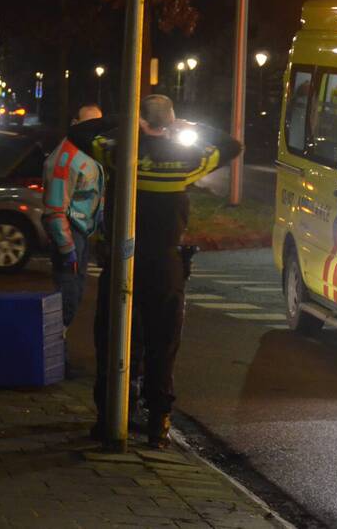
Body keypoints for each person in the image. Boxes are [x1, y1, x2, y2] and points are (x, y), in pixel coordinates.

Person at [68, 94, 241, 448]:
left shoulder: (120, 153)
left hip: (124, 260)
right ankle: (158, 422)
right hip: (165, 265)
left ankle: (111, 416)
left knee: (114, 336)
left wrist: (124, 119)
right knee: (163, 343)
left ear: (141, 122)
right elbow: (231, 145)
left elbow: (81, 133)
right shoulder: (188, 159)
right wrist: (189, 127)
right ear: (171, 120)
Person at [41, 103, 105, 331]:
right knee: (68, 297)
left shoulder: (88, 152)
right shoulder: (66, 159)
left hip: (81, 231)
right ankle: (56, 353)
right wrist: (67, 248)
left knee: (74, 293)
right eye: (89, 124)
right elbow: (56, 210)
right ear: (75, 124)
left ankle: (57, 351)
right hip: (71, 231)